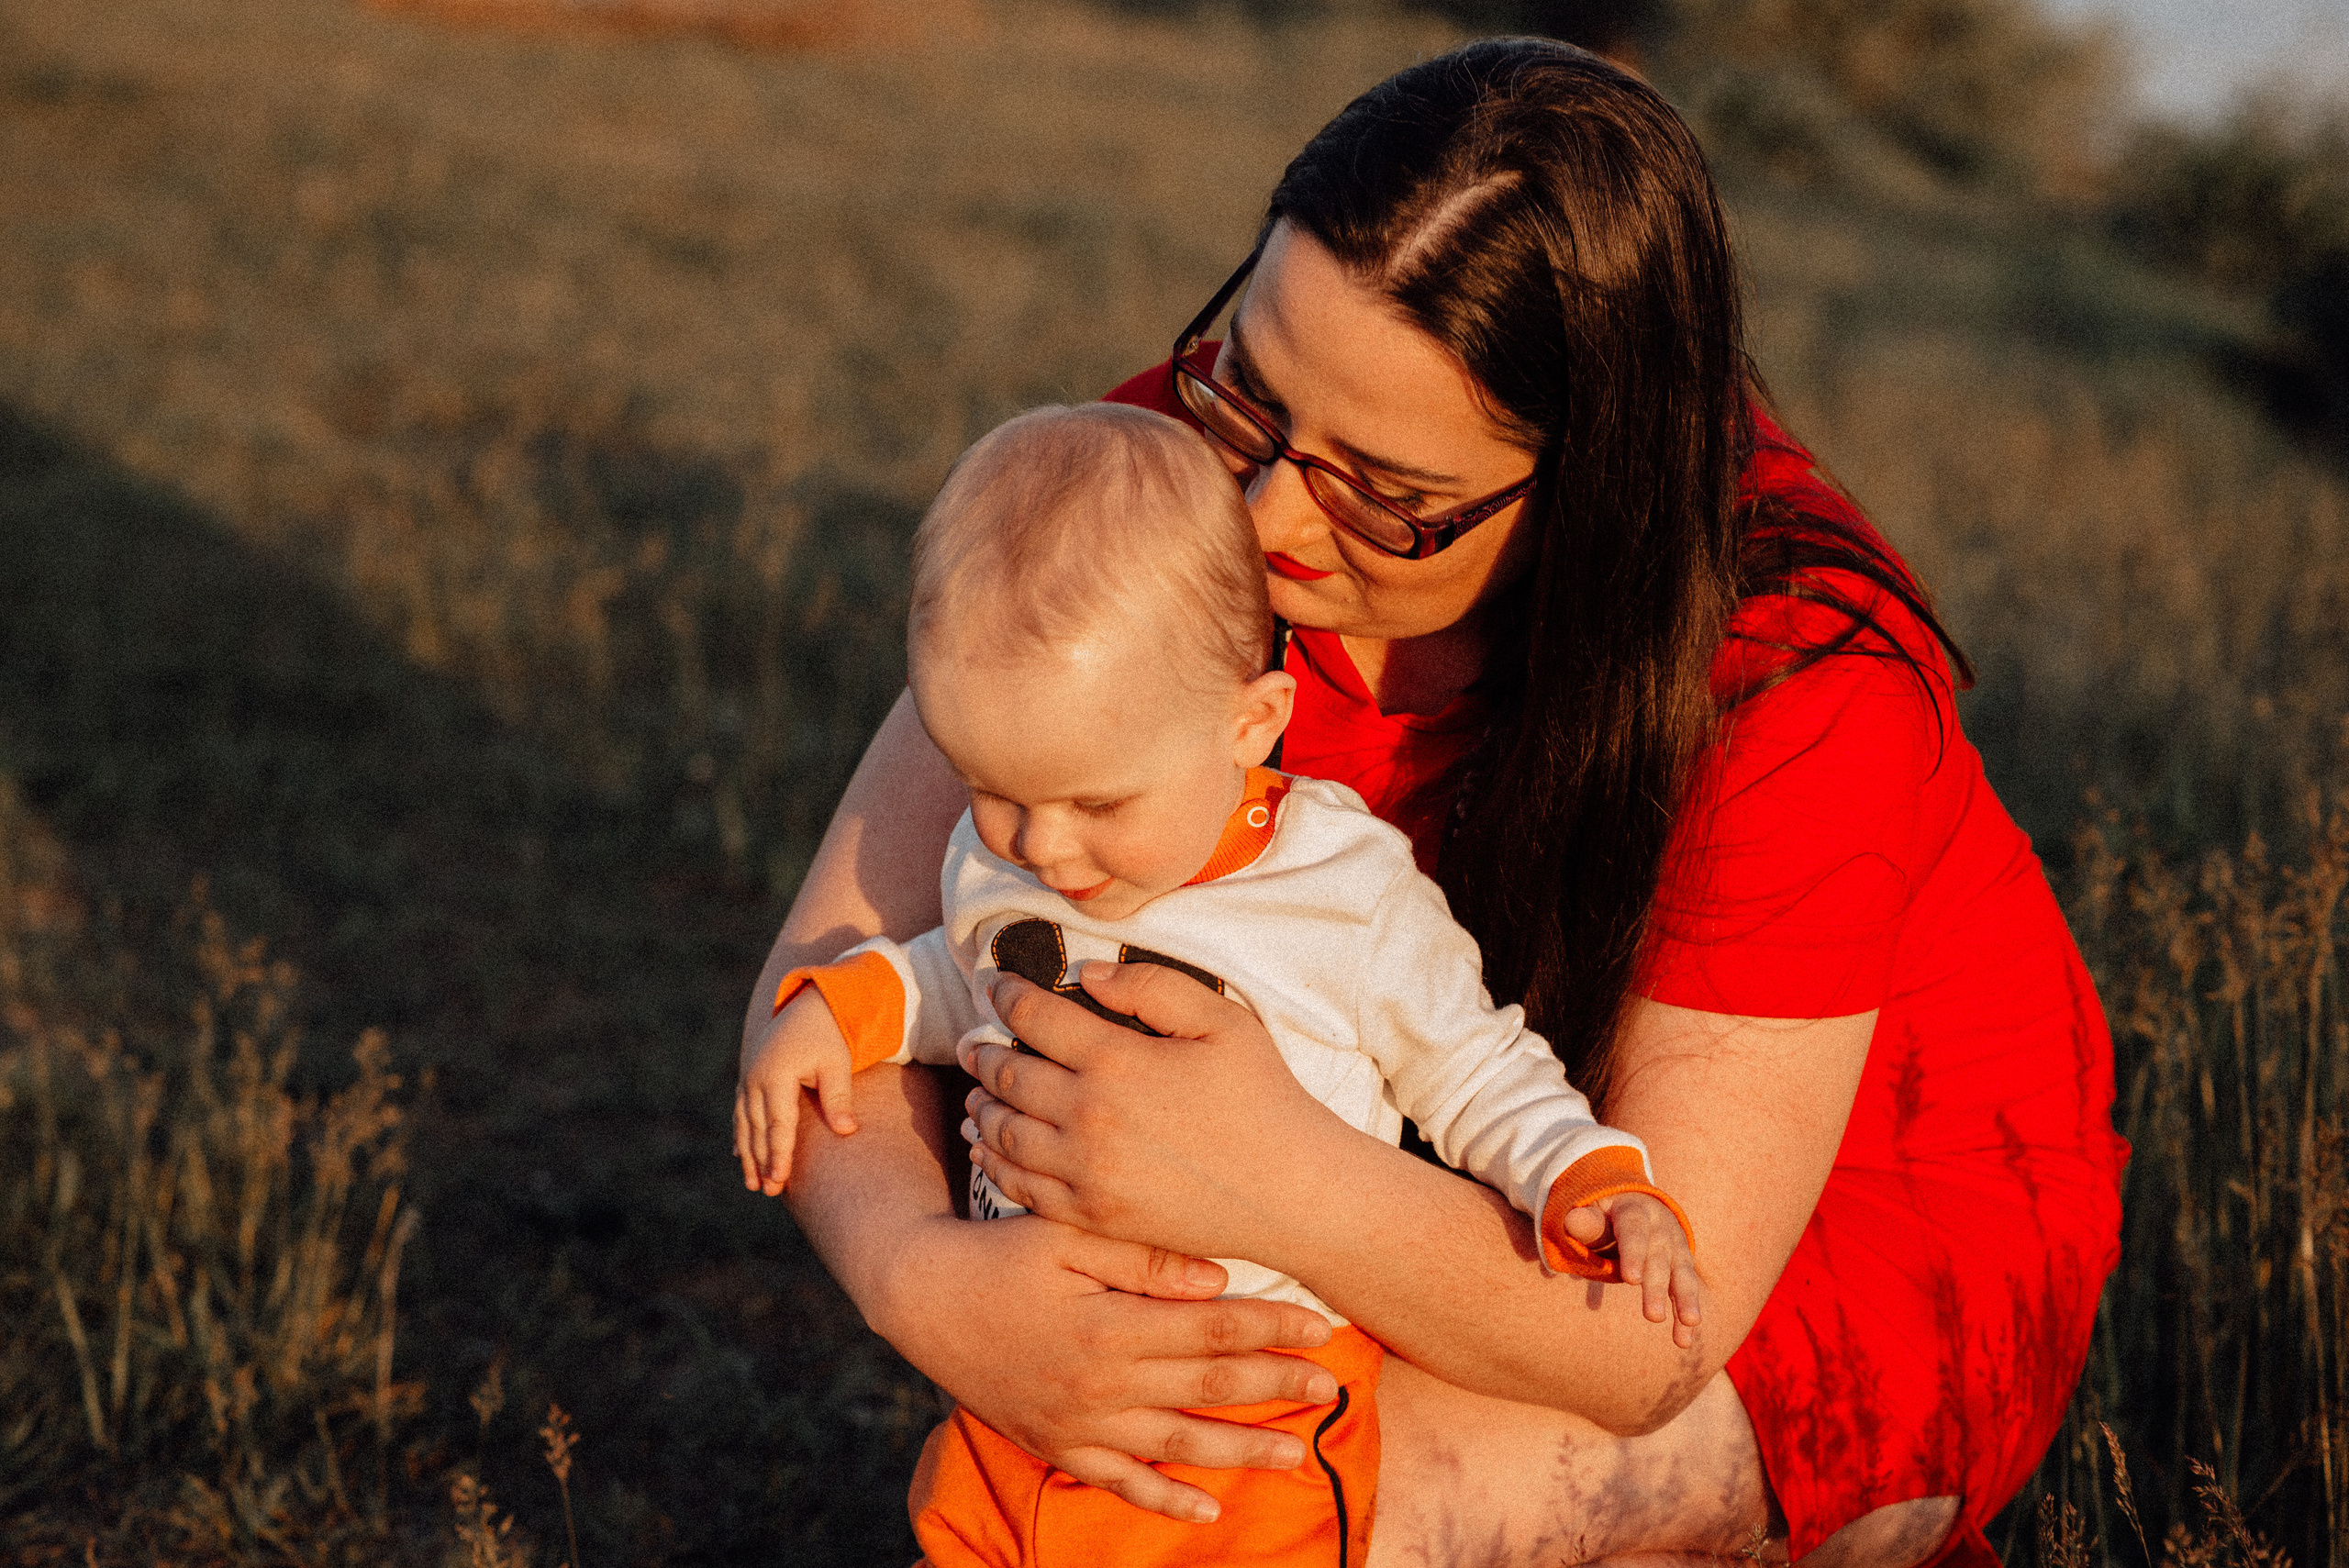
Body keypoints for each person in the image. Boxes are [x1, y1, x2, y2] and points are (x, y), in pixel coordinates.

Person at [743, 38, 2127, 1568]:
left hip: (1819, 1227)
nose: (1264, 513)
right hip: (1405, 1145)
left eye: (1384, 489)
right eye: (1250, 384)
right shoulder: (1192, 465)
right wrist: (922, 1278)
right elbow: (834, 960)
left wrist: (1278, 1181)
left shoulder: (1796, 683)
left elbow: (1647, 1339)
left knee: (1277, 1512)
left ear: (1589, 478)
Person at [734, 402, 1702, 1568]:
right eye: (993, 791)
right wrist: (846, 1012)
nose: (1040, 846)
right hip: (1023, 1373)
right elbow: (964, 976)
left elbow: (1474, 1062)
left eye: (1096, 804)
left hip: (1247, 1416)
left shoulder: (1339, 893)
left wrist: (1584, 1176)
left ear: (1250, 724)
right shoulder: (1009, 849)